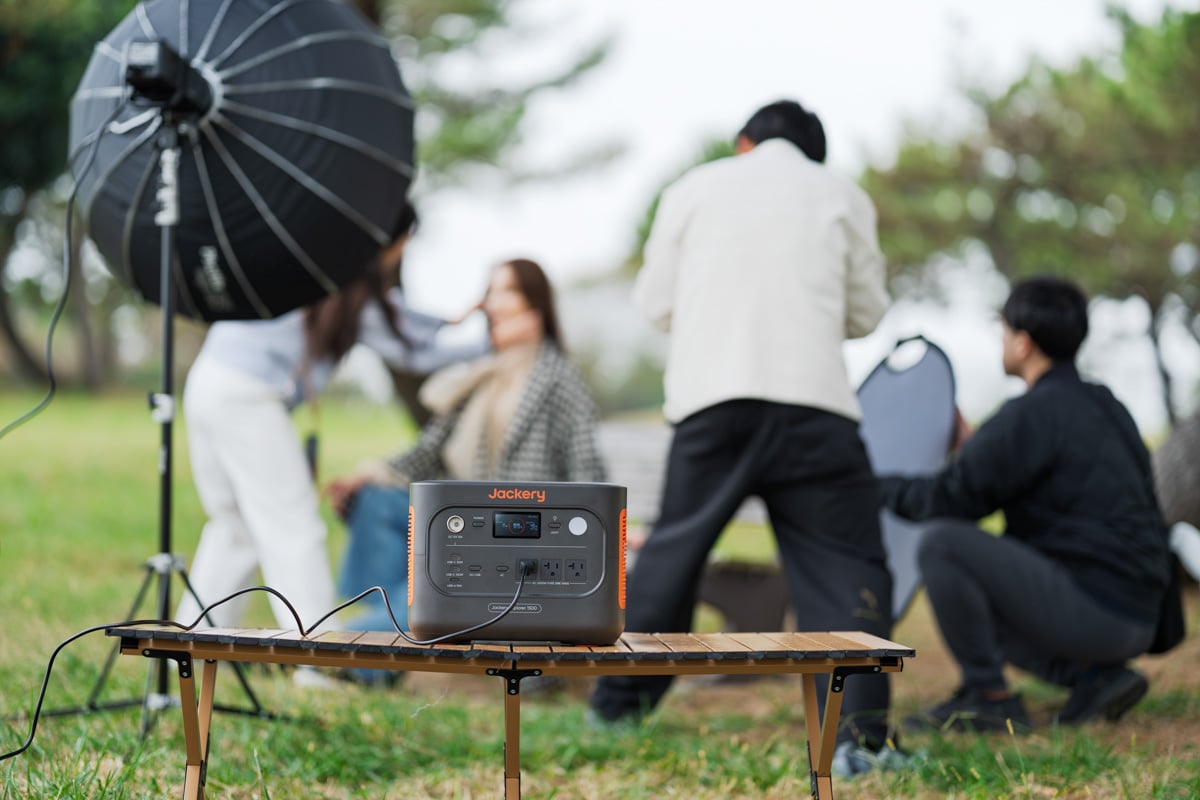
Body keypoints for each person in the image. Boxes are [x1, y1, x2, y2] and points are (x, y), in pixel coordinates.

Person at [586, 100, 899, 773]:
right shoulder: (842, 195)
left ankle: (614, 709)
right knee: (845, 564)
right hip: (815, 401)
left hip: (712, 399)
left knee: (675, 551)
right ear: (816, 155)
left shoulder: (693, 188)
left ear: (743, 143)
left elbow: (654, 304)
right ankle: (859, 739)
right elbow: (868, 312)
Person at [176, 205, 489, 635]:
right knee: (294, 523)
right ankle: (316, 652)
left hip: (208, 380)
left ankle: (193, 639)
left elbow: (404, 326)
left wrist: (454, 322)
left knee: (236, 526)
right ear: (390, 240)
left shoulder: (315, 263)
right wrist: (489, 346)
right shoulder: (347, 288)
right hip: (247, 396)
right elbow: (414, 350)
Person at [880, 276, 1171, 733]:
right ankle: (1096, 679)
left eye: (1002, 332)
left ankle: (987, 697)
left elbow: (949, 498)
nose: (1001, 342)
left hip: (1096, 612)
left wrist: (873, 482)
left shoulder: (1032, 413)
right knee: (980, 566)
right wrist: (976, 449)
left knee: (945, 545)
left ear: (1023, 342)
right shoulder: (1106, 405)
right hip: (1139, 615)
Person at [326, 257, 607, 643]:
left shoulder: (559, 379)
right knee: (375, 499)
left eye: (507, 291)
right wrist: (366, 474)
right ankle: (387, 611)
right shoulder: (477, 375)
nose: (493, 302)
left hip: (515, 534)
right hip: (462, 519)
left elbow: (588, 471)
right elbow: (429, 450)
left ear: (535, 302)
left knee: (419, 598)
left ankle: (354, 642)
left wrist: (606, 534)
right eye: (490, 291)